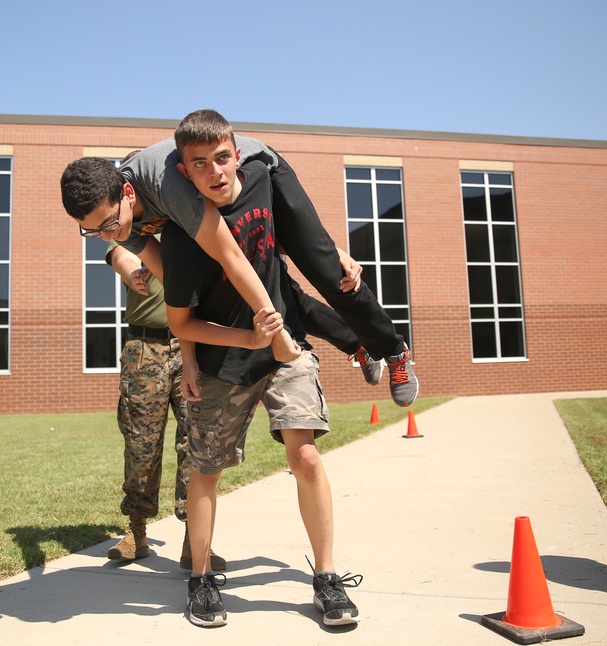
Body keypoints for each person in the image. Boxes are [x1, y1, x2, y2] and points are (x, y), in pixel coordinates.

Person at [59, 111, 418, 406]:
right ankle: (357, 344)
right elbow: (177, 290)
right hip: (217, 200)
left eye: (108, 223)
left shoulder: (168, 185)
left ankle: (394, 351)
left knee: (329, 271)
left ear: (126, 192)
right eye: (92, 231)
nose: (108, 236)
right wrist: (189, 358)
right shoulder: (124, 226)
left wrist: (279, 336)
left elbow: (231, 256)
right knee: (267, 291)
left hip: (261, 174)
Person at [161, 113, 362, 627]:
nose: (215, 172)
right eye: (200, 164)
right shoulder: (184, 235)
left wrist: (333, 251)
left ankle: (327, 577)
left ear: (237, 155)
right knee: (205, 471)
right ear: (185, 172)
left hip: (284, 348)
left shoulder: (264, 183)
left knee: (308, 455)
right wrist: (211, 350)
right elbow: (182, 321)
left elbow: (300, 232)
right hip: (221, 361)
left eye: (222, 157)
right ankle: (201, 580)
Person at [104, 238, 226, 572]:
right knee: (141, 444)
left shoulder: (191, 223)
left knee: (198, 442)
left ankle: (195, 540)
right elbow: (119, 255)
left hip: (196, 346)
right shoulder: (136, 228)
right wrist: (132, 274)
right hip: (145, 348)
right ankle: (136, 532)